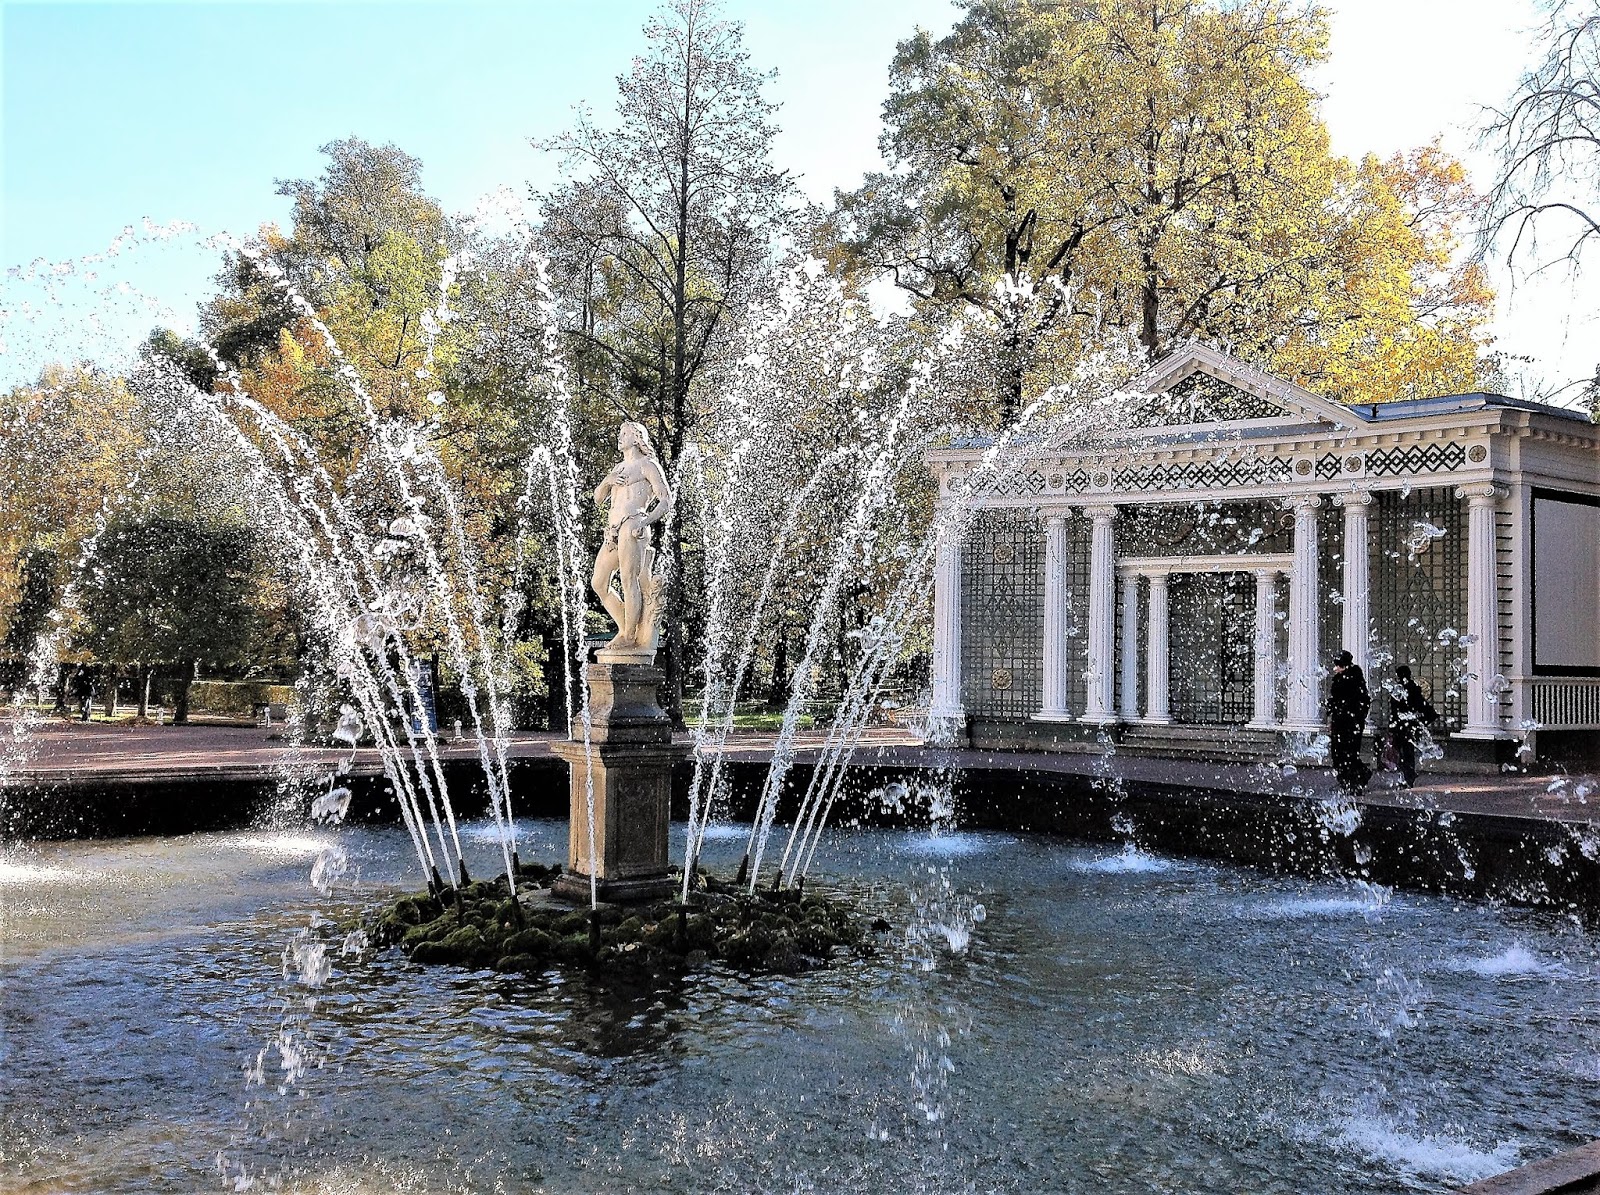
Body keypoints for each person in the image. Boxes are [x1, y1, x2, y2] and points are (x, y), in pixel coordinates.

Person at [591, 420, 673, 656]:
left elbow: (666, 500)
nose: (620, 437)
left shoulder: (648, 465)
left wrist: (645, 522)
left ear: (637, 438)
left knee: (629, 580)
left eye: (624, 433)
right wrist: (607, 480)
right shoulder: (617, 469)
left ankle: (628, 637)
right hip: (613, 531)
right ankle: (626, 628)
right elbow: (598, 499)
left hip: (633, 525)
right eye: (620, 433)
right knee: (598, 583)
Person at [1386, 664, 1438, 788]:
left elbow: (1395, 711)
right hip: (1409, 726)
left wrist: (1392, 726)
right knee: (1407, 752)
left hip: (1402, 727)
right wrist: (1421, 722)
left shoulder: (1402, 689)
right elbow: (1422, 707)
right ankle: (1408, 776)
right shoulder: (1412, 689)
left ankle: (1407, 777)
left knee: (1404, 753)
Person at [1328, 649, 1371, 792]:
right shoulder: (1339, 679)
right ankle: (1345, 780)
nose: (1336, 668)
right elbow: (1334, 700)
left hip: (1351, 723)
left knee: (1350, 753)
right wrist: (1332, 716)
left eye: (1338, 665)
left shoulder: (1355, 679)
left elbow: (1363, 701)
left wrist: (1357, 717)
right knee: (1338, 753)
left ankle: (1354, 782)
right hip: (1339, 722)